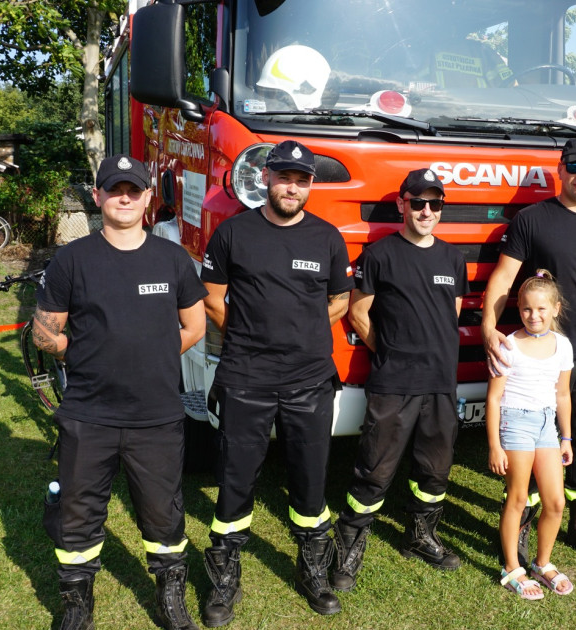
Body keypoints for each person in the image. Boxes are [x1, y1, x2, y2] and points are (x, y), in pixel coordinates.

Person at [32, 154, 208, 630]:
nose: (124, 197)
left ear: (149, 198)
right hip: (89, 413)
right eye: (114, 189)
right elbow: (44, 335)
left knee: (164, 514)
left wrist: (151, 352)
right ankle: (76, 605)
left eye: (134, 190)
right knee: (78, 514)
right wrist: (89, 353)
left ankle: (170, 598)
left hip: (156, 415)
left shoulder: (172, 259)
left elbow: (194, 324)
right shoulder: (72, 260)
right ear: (98, 197)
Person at [199, 140, 355, 624]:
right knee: (236, 478)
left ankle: (313, 569)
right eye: (284, 177)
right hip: (246, 375)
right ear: (266, 178)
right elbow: (211, 298)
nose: (292, 187)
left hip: (310, 377)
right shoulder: (233, 234)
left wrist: (302, 335)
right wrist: (252, 338)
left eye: (302, 179)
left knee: (310, 477)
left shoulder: (327, 238)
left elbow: (340, 302)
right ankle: (225, 577)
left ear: (311, 184)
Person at [481, 136, 576, 567]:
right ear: (561, 168)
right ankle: (526, 527)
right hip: (539, 359)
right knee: (531, 444)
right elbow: (503, 279)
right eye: (574, 165)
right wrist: (489, 327)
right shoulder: (533, 220)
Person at [331, 168, 469, 592]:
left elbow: (454, 313)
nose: (427, 211)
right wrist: (391, 351)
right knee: (375, 468)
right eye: (419, 202)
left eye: (436, 204)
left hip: (441, 383)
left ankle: (420, 535)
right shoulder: (380, 254)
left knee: (435, 469)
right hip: (394, 381)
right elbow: (358, 313)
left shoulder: (452, 257)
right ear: (402, 204)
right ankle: (348, 548)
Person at [487, 270, 574, 600]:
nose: (533, 316)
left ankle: (543, 562)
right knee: (518, 498)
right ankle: (512, 568)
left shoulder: (563, 346)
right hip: (515, 424)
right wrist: (495, 445)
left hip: (546, 426)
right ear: (518, 309)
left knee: (556, 501)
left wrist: (566, 438)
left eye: (540, 309)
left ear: (555, 308)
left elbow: (562, 395)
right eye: (526, 309)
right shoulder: (508, 346)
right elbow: (494, 398)